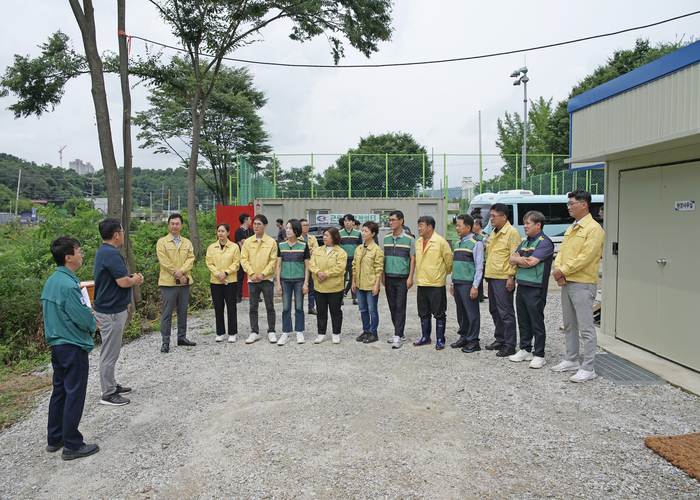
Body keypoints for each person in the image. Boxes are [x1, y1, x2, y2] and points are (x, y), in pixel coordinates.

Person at [41, 236, 99, 460]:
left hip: (57, 344)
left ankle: (55, 437)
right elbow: (82, 317)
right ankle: (73, 445)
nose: (82, 254)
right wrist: (92, 321)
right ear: (68, 257)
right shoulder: (68, 285)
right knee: (74, 392)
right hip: (72, 343)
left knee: (60, 391)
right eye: (79, 251)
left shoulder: (53, 281)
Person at [551, 190, 605, 383]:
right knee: (569, 324)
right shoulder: (572, 227)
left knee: (586, 326)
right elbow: (562, 252)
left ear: (584, 205)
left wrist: (562, 271)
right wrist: (560, 271)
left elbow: (586, 257)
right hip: (567, 280)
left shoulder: (594, 229)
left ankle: (588, 367)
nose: (569, 206)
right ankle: (571, 359)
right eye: (569, 203)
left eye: (572, 203)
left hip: (582, 282)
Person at [94, 218, 144, 406]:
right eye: (122, 231)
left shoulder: (105, 251)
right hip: (110, 311)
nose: (123, 234)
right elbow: (122, 281)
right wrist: (135, 279)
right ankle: (107, 393)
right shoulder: (111, 253)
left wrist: (129, 278)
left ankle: (111, 384)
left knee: (111, 350)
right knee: (110, 352)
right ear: (116, 234)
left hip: (111, 308)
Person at [507, 211, 554, 369]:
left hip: (536, 287)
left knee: (536, 322)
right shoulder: (526, 242)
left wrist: (518, 260)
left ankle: (539, 354)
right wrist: (520, 260)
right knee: (524, 320)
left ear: (538, 225)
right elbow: (511, 260)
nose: (524, 226)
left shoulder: (544, 242)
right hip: (522, 285)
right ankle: (525, 349)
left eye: (528, 223)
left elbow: (532, 262)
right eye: (524, 223)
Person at [484, 203, 522, 358]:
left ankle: (510, 344)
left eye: (494, 216)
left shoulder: (512, 233)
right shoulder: (494, 231)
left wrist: (511, 276)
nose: (491, 219)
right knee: (494, 309)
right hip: (493, 276)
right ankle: (500, 339)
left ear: (504, 217)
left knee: (505, 311)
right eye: (491, 216)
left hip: (503, 277)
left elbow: (515, 256)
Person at [157, 213, 196, 353]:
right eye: (172, 223)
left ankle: (182, 337)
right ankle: (165, 341)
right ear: (168, 225)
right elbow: (164, 261)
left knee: (183, 311)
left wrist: (183, 271)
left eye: (177, 223)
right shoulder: (162, 242)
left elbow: (191, 259)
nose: (174, 226)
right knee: (167, 313)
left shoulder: (187, 243)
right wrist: (178, 273)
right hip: (168, 283)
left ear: (181, 225)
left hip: (184, 282)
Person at [413, 216, 453, 350]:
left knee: (439, 312)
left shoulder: (440, 241)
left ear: (430, 227)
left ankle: (440, 339)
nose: (419, 228)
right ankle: (426, 337)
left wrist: (441, 274)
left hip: (436, 283)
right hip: (422, 283)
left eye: (421, 225)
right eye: (418, 225)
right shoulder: (418, 242)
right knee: (423, 312)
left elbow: (449, 261)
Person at [240, 214, 278, 344]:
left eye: (259, 224)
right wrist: (251, 273)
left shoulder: (271, 242)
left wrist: (263, 274)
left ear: (265, 226)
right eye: (254, 224)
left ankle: (271, 331)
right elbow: (243, 259)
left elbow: (273, 261)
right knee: (253, 306)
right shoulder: (248, 241)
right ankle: (254, 332)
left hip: (266, 279)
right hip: (252, 279)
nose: (256, 226)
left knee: (269, 306)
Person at [449, 214, 484, 353]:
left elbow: (479, 267)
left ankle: (474, 341)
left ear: (468, 227)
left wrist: (475, 286)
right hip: (457, 283)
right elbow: (456, 265)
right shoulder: (458, 244)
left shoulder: (477, 243)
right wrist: (452, 282)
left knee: (472, 313)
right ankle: (464, 336)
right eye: (457, 225)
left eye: (459, 225)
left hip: (468, 284)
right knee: (461, 312)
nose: (457, 228)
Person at [382, 210, 415, 349]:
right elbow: (383, 258)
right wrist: (383, 276)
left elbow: (413, 259)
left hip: (402, 278)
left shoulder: (409, 239)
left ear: (401, 221)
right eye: (389, 220)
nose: (390, 222)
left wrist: (410, 277)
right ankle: (399, 333)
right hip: (389, 277)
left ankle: (397, 335)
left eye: (393, 220)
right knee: (392, 306)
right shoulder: (386, 238)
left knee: (400, 306)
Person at [309, 227, 347, 344]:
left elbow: (340, 268)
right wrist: (318, 273)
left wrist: (325, 275)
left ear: (334, 237)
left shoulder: (341, 252)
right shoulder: (317, 250)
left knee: (335, 311)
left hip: (335, 287)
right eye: (324, 235)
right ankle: (321, 333)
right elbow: (311, 264)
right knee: (321, 311)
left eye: (327, 235)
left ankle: (336, 333)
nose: (324, 237)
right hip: (319, 287)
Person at [276, 219, 310, 345]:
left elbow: (307, 266)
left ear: (296, 230)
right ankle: (285, 332)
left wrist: (306, 283)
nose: (287, 230)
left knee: (299, 307)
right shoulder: (281, 245)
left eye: (290, 228)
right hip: (285, 281)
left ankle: (299, 332)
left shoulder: (303, 245)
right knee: (285, 308)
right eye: (286, 228)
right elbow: (278, 266)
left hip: (299, 281)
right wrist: (278, 283)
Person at [205, 222, 240, 343]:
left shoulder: (234, 247)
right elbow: (209, 263)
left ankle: (232, 333)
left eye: (223, 231)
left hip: (230, 281)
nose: (220, 233)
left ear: (228, 233)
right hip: (215, 282)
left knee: (231, 307)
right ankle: (220, 333)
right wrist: (218, 274)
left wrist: (225, 273)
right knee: (218, 308)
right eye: (219, 231)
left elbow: (236, 263)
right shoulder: (211, 248)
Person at [352, 221, 385, 344]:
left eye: (366, 231)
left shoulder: (377, 250)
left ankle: (373, 333)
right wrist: (353, 282)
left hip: (371, 285)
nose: (363, 233)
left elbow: (379, 269)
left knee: (372, 310)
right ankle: (366, 331)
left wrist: (377, 285)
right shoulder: (359, 248)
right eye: (363, 230)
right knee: (363, 309)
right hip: (360, 284)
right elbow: (354, 266)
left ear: (373, 234)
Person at [339, 214, 361, 305]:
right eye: (345, 221)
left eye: (349, 221)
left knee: (353, 280)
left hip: (354, 261)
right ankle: (340, 299)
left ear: (353, 222)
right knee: (341, 280)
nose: (347, 222)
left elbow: (360, 247)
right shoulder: (339, 233)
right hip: (342, 261)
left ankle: (354, 298)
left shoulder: (358, 233)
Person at [234, 213, 254, 303]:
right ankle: (239, 295)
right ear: (245, 220)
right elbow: (241, 246)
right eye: (250, 219)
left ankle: (256, 295)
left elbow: (254, 243)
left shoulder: (251, 231)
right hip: (242, 258)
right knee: (240, 277)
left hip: (253, 257)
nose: (251, 221)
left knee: (253, 274)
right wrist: (246, 242)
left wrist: (245, 241)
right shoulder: (238, 232)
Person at [300, 218, 318, 315]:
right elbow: (299, 251)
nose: (306, 227)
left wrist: (309, 250)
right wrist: (308, 250)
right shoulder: (297, 238)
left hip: (311, 265)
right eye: (304, 225)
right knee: (300, 287)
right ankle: (299, 308)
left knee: (312, 287)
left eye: (307, 225)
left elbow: (317, 250)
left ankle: (311, 307)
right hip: (300, 266)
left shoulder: (312, 238)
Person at [472, 216, 488, 303]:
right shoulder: (474, 235)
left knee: (480, 279)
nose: (472, 227)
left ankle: (480, 296)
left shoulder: (484, 236)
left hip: (483, 261)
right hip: (475, 260)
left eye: (473, 225)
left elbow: (483, 248)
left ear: (478, 225)